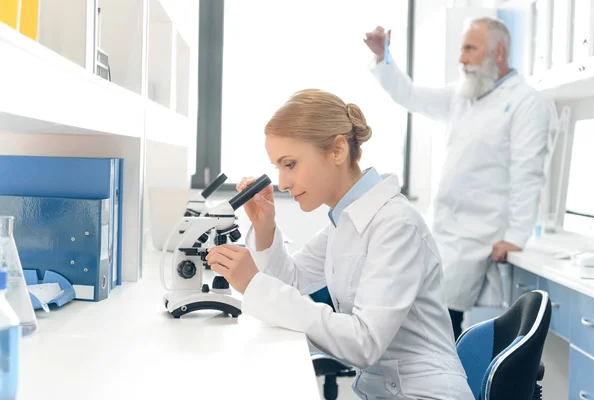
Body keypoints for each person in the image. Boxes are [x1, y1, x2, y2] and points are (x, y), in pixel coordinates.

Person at [206, 89, 474, 399]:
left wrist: (253, 283)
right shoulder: (346, 220)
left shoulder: (395, 225)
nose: (281, 183)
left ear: (336, 150)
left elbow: (365, 343)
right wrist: (265, 228)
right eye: (277, 167)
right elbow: (291, 282)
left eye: (289, 164)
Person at [364, 18, 556, 339]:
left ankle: (447, 387)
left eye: (470, 48)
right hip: (441, 231)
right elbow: (411, 96)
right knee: (423, 320)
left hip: (478, 237)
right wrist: (385, 58)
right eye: (462, 49)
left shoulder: (526, 102)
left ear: (498, 52)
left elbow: (528, 173)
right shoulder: (463, 94)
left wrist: (517, 236)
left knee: (443, 327)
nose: (461, 58)